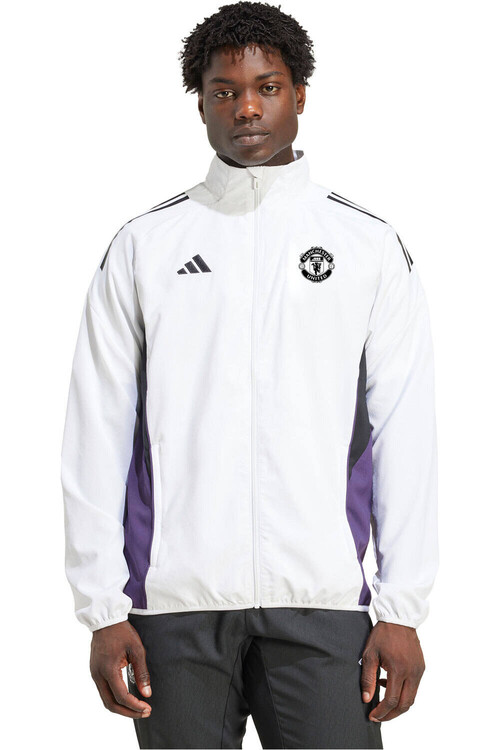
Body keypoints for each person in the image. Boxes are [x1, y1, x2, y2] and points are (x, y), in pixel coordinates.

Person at [60, 2, 439, 748]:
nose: (247, 108)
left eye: (267, 87)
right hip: (173, 605)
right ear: (200, 102)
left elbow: (406, 431)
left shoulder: (366, 246)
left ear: (300, 94)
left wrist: (402, 609)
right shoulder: (144, 247)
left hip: (324, 603)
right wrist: (101, 608)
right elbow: (95, 430)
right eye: (224, 90)